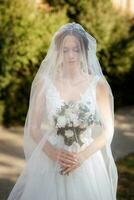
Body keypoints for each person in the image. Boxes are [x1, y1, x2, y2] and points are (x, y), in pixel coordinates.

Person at [7, 22, 118, 200]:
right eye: (65, 50)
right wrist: (54, 154)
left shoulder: (98, 85)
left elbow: (108, 131)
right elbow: (34, 128)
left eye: (76, 49)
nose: (71, 55)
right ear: (58, 51)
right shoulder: (45, 83)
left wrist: (81, 157)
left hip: (86, 162)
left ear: (84, 51)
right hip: (50, 160)